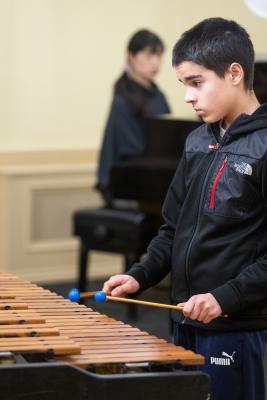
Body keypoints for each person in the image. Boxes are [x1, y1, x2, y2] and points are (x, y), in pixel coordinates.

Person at [102, 17, 267, 400]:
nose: (188, 97)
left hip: (236, 327)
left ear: (235, 73)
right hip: (183, 320)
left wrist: (225, 298)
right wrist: (140, 275)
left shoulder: (263, 147)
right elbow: (172, 230)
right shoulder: (196, 142)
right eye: (184, 86)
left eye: (196, 83)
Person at [96, 29, 170, 205]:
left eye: (159, 56)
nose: (156, 62)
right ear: (131, 56)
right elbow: (132, 151)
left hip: (153, 178)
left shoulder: (158, 95)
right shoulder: (122, 100)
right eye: (149, 55)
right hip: (128, 186)